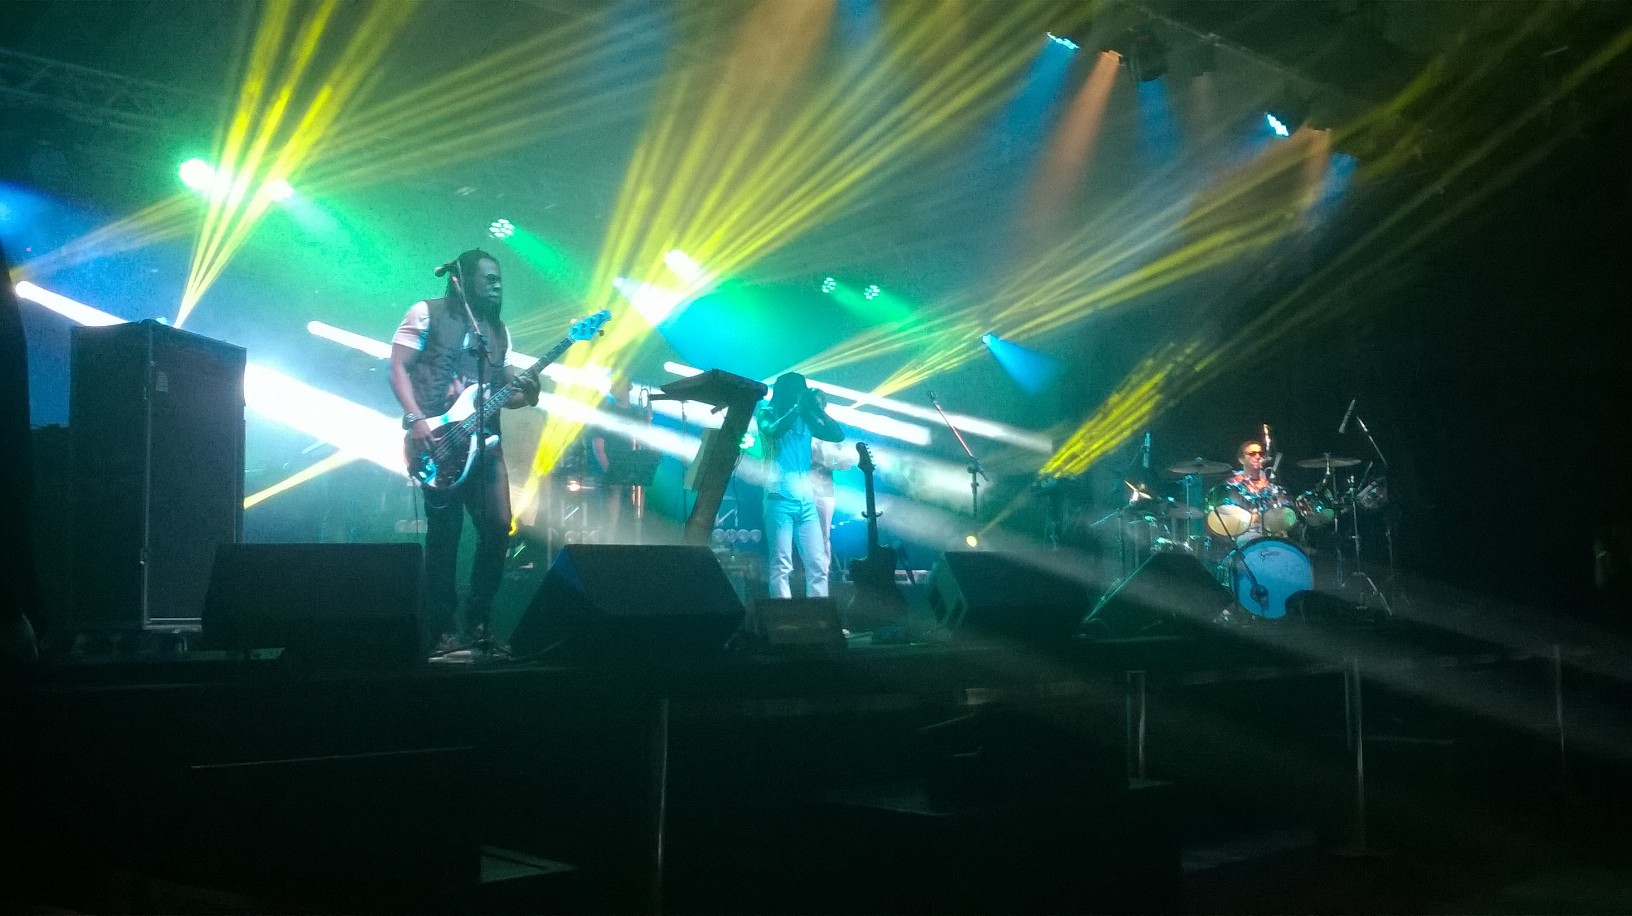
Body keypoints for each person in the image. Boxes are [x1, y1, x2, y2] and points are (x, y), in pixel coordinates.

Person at [390, 249, 539, 658]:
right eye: (488, 277)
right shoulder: (426, 312)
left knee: (499, 526)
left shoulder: (497, 331)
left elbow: (506, 391)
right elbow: (397, 367)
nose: (497, 284)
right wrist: (415, 419)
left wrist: (529, 392)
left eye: (499, 278)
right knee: (445, 535)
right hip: (438, 440)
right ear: (462, 279)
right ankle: (440, 630)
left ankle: (479, 623)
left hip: (486, 444)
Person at [756, 372, 843, 598]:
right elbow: (773, 431)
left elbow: (837, 435)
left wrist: (818, 411)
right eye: (798, 390)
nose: (801, 394)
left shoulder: (805, 417)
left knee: (817, 563)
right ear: (787, 391)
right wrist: (798, 408)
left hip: (806, 502)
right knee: (781, 564)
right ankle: (782, 615)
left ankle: (820, 613)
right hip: (778, 499)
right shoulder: (767, 412)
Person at [591, 374, 653, 543]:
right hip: (613, 470)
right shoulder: (605, 412)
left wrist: (648, 420)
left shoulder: (637, 413)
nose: (616, 387)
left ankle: (635, 545)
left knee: (635, 514)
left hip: (634, 471)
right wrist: (610, 472)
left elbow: (645, 442)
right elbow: (598, 446)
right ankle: (609, 546)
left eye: (620, 383)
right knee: (611, 520)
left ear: (629, 386)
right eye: (614, 384)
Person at [808, 390, 855, 577]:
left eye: (819, 404)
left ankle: (823, 573)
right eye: (813, 404)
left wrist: (828, 462)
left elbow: (846, 463)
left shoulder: (831, 430)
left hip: (824, 489)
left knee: (823, 534)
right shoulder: (802, 427)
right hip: (801, 487)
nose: (816, 407)